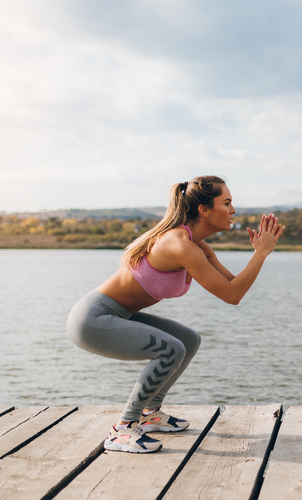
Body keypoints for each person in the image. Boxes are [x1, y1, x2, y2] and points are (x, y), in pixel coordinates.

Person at [67, 176, 284, 453]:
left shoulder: (198, 246)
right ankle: (122, 429)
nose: (233, 211)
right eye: (226, 203)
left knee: (188, 340)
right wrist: (261, 255)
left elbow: (232, 285)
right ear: (204, 209)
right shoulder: (179, 244)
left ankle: (150, 414)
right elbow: (233, 296)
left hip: (119, 315)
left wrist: (258, 253)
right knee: (170, 349)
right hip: (93, 320)